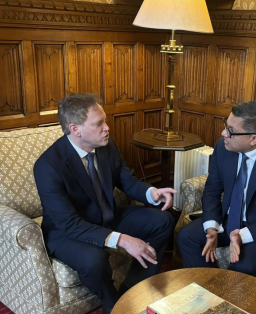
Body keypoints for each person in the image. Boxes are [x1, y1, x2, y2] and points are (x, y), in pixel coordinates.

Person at [34, 93, 176, 313]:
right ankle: (115, 303)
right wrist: (123, 240)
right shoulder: (48, 166)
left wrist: (152, 192)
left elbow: (127, 180)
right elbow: (68, 224)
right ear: (75, 129)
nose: (107, 128)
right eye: (99, 124)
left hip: (107, 217)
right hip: (68, 232)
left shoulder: (106, 146)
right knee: (94, 260)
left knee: (163, 220)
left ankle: (135, 287)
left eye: (105, 121)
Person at [177, 101, 256, 276]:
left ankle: (225, 300)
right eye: (226, 126)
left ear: (253, 139)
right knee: (186, 237)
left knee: (241, 266)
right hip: (229, 219)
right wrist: (211, 228)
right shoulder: (223, 148)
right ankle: (208, 294)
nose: (224, 133)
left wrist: (242, 236)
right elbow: (212, 190)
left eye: (231, 131)